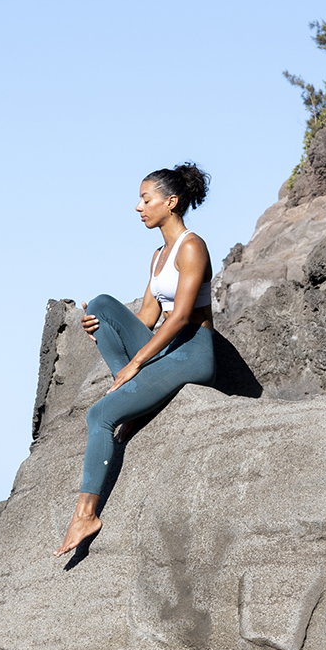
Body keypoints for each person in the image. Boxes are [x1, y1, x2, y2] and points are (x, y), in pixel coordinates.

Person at [55, 163, 215, 557]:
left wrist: (135, 364)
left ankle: (86, 514)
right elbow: (147, 315)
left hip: (194, 349)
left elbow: (178, 317)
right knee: (105, 308)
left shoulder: (191, 246)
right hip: (169, 346)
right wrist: (100, 326)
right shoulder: (159, 255)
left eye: (146, 199)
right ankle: (134, 402)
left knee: (99, 416)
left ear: (171, 202)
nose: (139, 207)